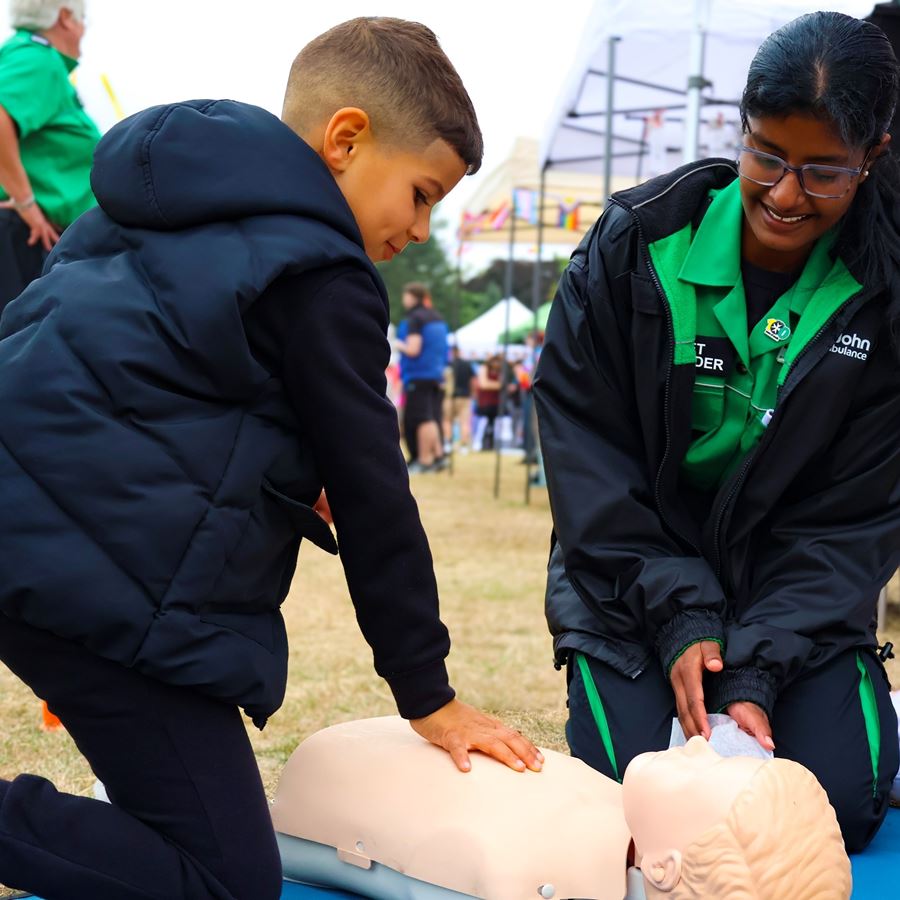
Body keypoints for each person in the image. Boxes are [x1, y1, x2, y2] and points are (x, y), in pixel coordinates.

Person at [0, 17, 542, 900]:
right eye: (421, 192)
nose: (421, 227)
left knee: (180, 826)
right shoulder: (326, 275)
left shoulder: (152, 202)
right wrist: (428, 694)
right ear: (346, 140)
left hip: (37, 530)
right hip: (91, 576)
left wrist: (290, 473)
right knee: (225, 879)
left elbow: (155, 379)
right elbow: (375, 494)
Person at [534, 10, 900, 854]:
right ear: (740, 128)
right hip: (635, 583)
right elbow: (590, 463)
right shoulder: (634, 246)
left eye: (822, 173)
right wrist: (682, 622)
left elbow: (853, 523)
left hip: (795, 600)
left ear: (873, 157)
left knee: (836, 806)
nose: (781, 193)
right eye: (766, 154)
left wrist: (757, 666)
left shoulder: (883, 299)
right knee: (633, 803)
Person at [0, 0, 99, 311]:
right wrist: (28, 205)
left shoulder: (31, 57)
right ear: (66, 18)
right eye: (84, 20)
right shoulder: (38, 58)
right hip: (25, 236)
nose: (84, 30)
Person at [394, 281, 448, 472]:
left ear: (411, 297)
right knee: (432, 416)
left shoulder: (415, 319)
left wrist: (395, 342)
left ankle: (424, 461)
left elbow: (413, 349)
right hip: (435, 375)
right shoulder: (437, 317)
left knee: (422, 418)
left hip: (418, 374)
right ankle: (439, 456)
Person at [445, 343, 474, 451]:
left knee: (447, 421)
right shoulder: (467, 364)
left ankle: (448, 444)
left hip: (449, 397)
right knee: (464, 422)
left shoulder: (448, 364)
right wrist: (472, 393)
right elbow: (472, 381)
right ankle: (464, 446)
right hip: (465, 396)